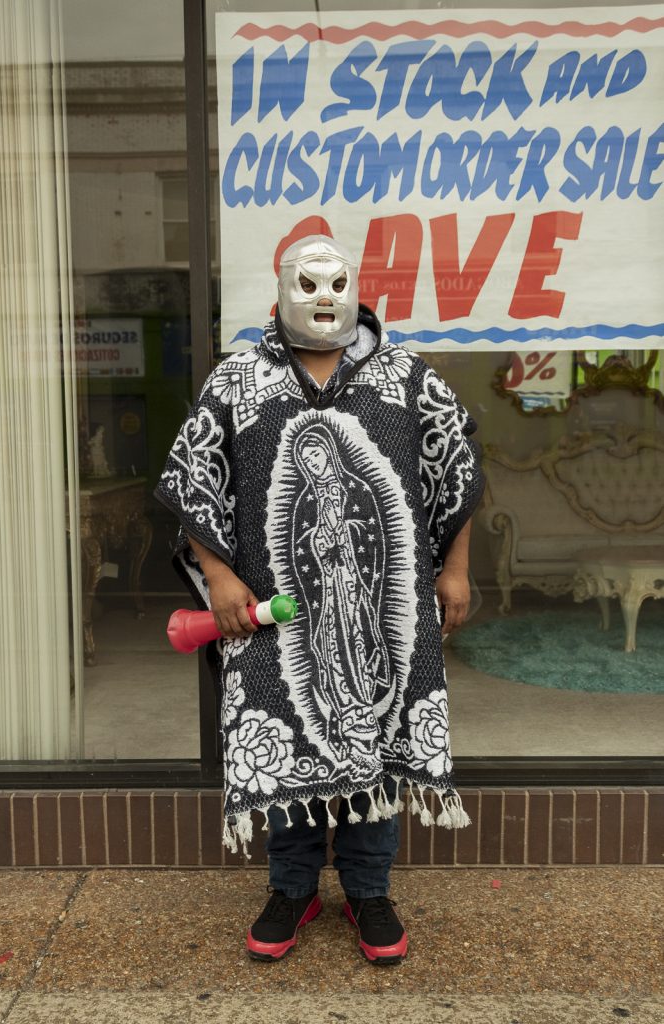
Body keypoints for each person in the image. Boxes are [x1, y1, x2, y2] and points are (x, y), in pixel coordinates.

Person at [154, 235, 485, 966]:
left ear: (357, 288)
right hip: (273, 613)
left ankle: (368, 890)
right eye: (308, 283)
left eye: (336, 283)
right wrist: (220, 576)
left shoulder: (404, 376)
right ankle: (292, 887)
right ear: (280, 291)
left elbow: (454, 467)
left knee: (378, 731)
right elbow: (194, 476)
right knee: (292, 731)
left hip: (383, 610)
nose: (325, 296)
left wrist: (454, 569)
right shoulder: (238, 378)